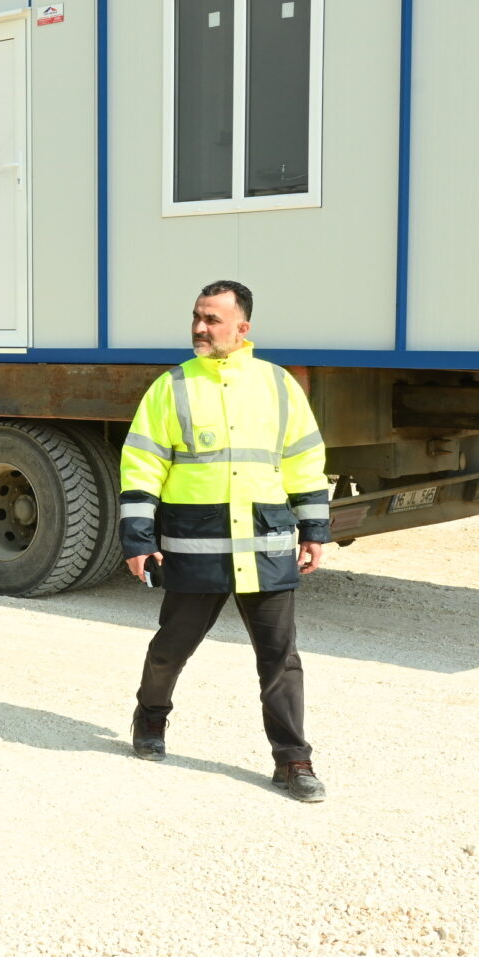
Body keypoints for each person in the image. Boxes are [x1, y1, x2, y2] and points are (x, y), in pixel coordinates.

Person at [118, 281, 333, 801]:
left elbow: (305, 459)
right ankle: (150, 719)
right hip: (198, 546)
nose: (199, 327)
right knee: (171, 647)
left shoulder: (278, 385)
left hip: (265, 546)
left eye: (212, 319)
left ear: (243, 327)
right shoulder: (172, 387)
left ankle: (293, 760)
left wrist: (315, 529)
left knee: (281, 657)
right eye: (196, 316)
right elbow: (142, 464)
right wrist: (137, 540)